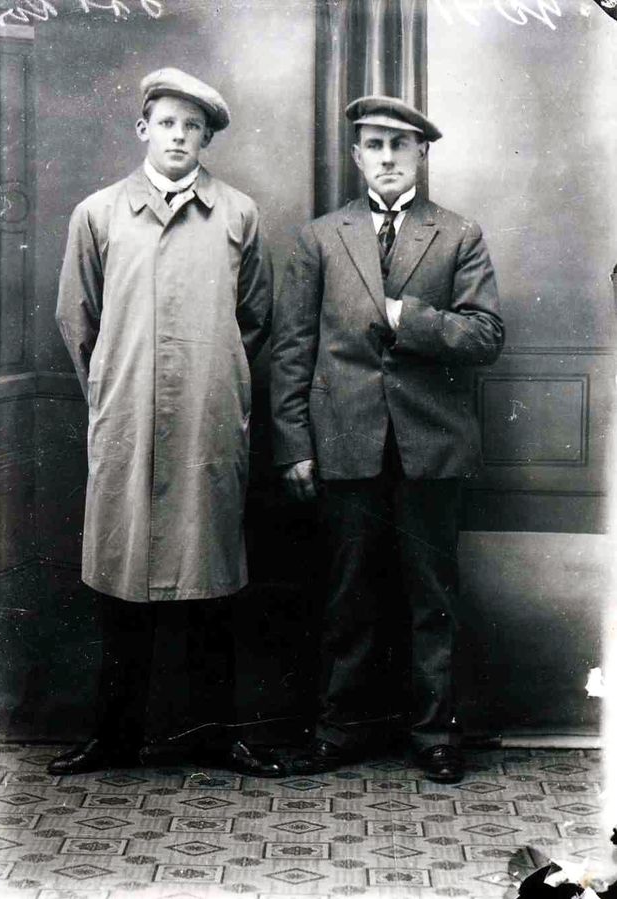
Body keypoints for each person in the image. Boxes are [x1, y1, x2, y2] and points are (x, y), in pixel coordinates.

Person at [50, 68, 281, 777]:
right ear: (143, 129)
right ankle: (114, 738)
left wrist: (214, 380)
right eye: (168, 124)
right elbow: (78, 320)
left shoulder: (239, 214)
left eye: (193, 127)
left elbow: (255, 317)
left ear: (206, 138)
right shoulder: (98, 213)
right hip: (126, 419)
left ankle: (215, 735)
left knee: (211, 577)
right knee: (122, 578)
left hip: (208, 422)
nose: (179, 137)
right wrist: (118, 387)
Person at [271, 95, 504, 784]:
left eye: (401, 145)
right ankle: (339, 729)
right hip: (344, 442)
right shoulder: (320, 238)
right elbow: (292, 350)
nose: (387, 157)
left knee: (433, 597)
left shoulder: (458, 235)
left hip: (431, 447)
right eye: (374, 144)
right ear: (356, 155)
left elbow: (486, 335)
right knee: (346, 595)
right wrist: (294, 445)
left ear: (421, 155)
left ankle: (435, 734)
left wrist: (409, 317)